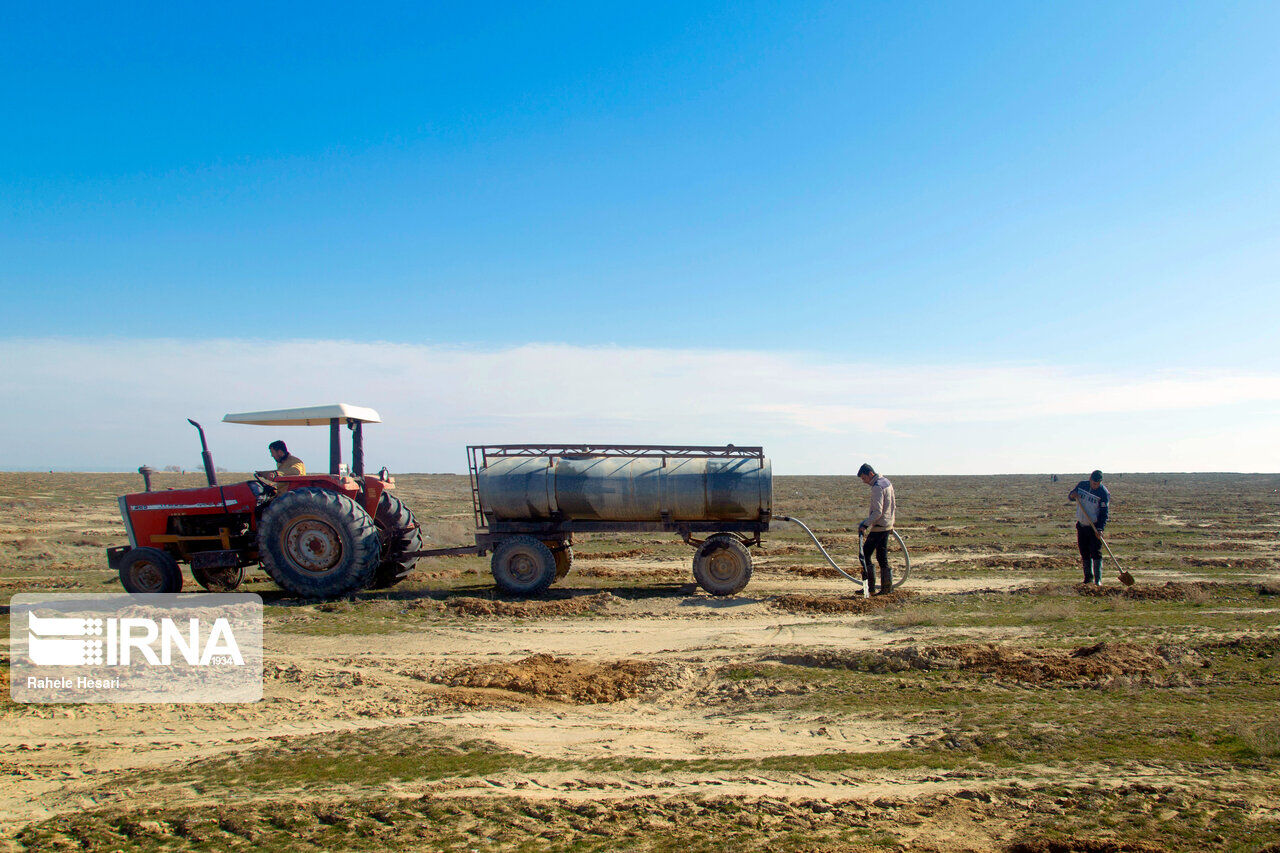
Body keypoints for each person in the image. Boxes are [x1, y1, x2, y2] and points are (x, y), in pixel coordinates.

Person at [856, 462, 896, 595]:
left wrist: (865, 524)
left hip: (879, 526)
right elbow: (892, 506)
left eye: (864, 478)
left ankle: (869, 588)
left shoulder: (877, 487)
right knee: (881, 556)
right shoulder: (886, 482)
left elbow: (878, 511)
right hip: (886, 524)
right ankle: (886, 588)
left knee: (865, 553)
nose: (863, 481)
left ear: (870, 474)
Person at [1068, 469, 1110, 585]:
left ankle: (1098, 580)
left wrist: (1100, 528)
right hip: (1081, 526)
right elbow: (1070, 496)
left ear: (1100, 482)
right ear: (1090, 479)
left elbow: (1104, 513)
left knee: (1096, 552)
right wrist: (1073, 495)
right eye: (1093, 483)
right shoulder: (1082, 485)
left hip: (1094, 527)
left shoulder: (1103, 493)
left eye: (1097, 484)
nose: (1094, 485)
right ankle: (1088, 579)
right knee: (1084, 552)